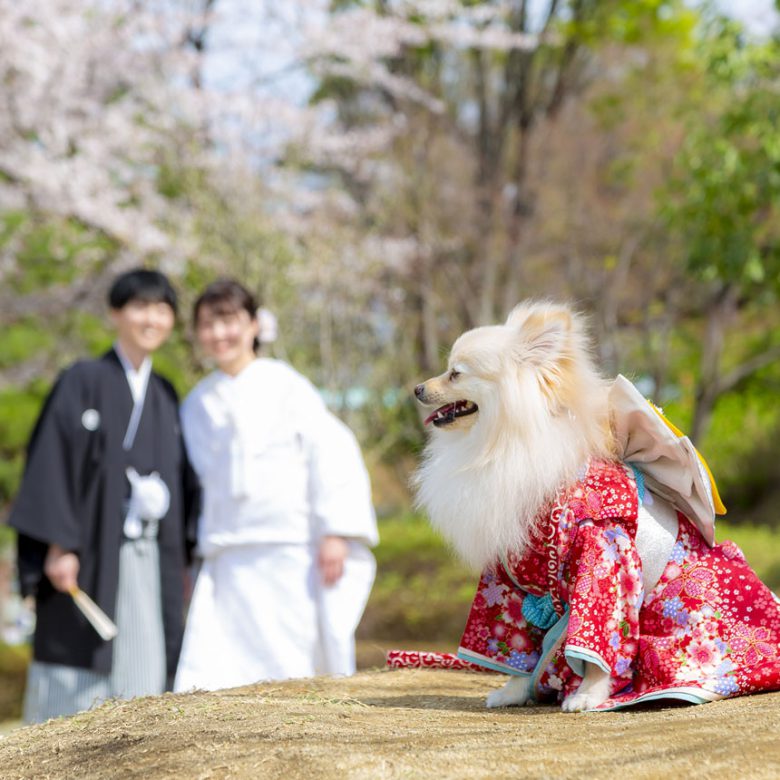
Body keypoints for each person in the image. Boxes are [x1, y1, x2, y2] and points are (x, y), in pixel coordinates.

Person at [10, 268, 200, 722]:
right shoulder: (82, 380)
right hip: (89, 551)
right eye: (139, 307)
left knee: (145, 664)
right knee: (78, 671)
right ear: (116, 313)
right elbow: (52, 464)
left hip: (150, 556)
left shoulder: (165, 393)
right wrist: (58, 545)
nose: (151, 319)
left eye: (161, 309)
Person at [173, 279, 378, 692]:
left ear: (253, 325)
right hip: (226, 549)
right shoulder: (196, 403)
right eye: (208, 325)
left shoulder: (287, 385)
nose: (219, 334)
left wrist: (336, 531)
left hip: (289, 546)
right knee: (222, 666)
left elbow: (332, 453)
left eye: (229, 321)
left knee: (293, 658)